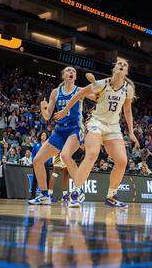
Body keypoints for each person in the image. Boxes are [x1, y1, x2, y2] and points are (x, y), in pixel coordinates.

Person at [56, 57, 139, 208]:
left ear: (126, 71)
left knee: (122, 161)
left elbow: (127, 110)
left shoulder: (128, 88)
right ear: (114, 69)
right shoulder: (102, 83)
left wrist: (131, 131)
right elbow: (79, 94)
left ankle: (111, 196)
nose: (122, 65)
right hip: (96, 123)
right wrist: (65, 110)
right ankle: (76, 192)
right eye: (119, 63)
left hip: (113, 127)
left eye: (125, 64)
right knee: (92, 154)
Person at [28, 67, 88, 205]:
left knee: (65, 155)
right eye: (68, 70)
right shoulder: (55, 92)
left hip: (75, 129)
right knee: (37, 160)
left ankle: (79, 190)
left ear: (75, 76)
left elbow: (95, 95)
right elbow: (47, 116)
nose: (71, 72)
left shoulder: (79, 91)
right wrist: (42, 108)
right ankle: (44, 195)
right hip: (60, 131)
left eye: (73, 71)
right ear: (63, 75)